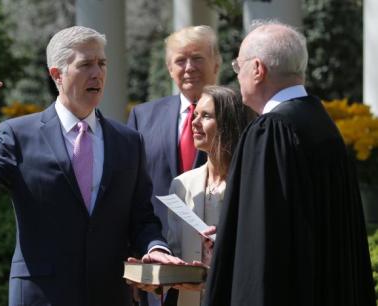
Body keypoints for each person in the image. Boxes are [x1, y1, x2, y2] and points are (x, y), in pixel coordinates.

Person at [0, 26, 184, 306]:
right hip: (41, 296)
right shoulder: (18, 135)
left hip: (109, 295)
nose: (97, 73)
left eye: (102, 63)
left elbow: (142, 218)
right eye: (85, 64)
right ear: (57, 74)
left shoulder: (128, 142)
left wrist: (155, 247)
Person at [202, 20, 375, 306]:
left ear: (257, 69)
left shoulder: (270, 132)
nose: (237, 75)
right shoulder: (323, 124)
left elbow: (263, 244)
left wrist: (239, 238)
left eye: (238, 66)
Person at [127, 25, 221, 306]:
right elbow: (131, 196)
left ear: (216, 63)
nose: (189, 67)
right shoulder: (142, 117)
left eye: (198, 58)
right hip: (158, 266)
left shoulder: (239, 115)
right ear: (170, 68)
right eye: (181, 60)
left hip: (216, 266)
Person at [167, 85, 255, 306]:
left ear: (228, 124)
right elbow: (176, 253)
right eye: (195, 114)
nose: (194, 123)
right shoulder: (182, 185)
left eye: (205, 116)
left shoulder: (252, 185)